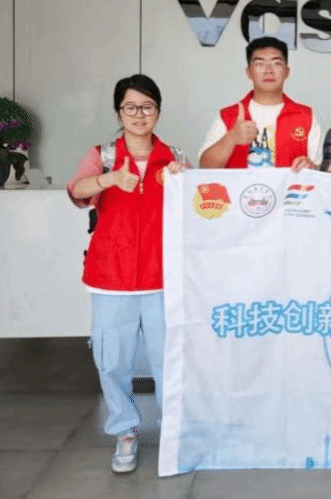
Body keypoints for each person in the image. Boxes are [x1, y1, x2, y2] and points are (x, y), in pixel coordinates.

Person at [67, 74, 189, 474]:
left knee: (168, 359)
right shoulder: (102, 155)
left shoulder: (174, 158)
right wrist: (111, 178)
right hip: (111, 276)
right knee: (112, 361)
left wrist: (186, 180)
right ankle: (125, 432)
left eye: (147, 106)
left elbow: (198, 207)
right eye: (131, 107)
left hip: (161, 277)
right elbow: (77, 190)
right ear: (119, 111)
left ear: (158, 111)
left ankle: (174, 430)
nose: (139, 115)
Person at [198, 36, 319, 170]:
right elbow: (205, 167)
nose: (268, 71)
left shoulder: (305, 116)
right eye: (259, 64)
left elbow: (321, 170)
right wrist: (231, 138)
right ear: (249, 72)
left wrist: (311, 167)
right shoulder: (228, 115)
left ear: (287, 72)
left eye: (276, 63)